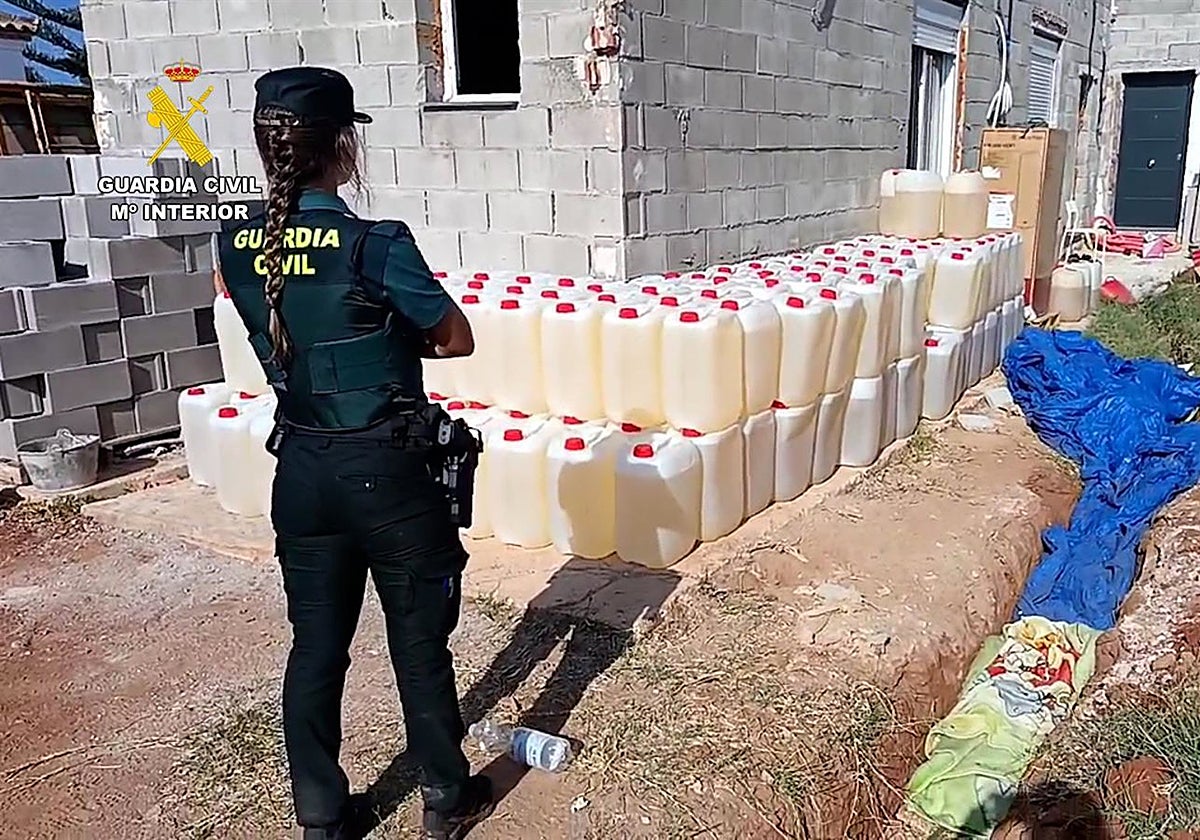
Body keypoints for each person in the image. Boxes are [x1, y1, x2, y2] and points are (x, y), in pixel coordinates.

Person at [214, 66, 493, 840]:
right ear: (344, 147)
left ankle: (322, 817)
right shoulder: (373, 242)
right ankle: (443, 796)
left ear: (268, 149)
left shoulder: (235, 246)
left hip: (301, 470)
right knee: (417, 638)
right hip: (390, 472)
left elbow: (281, 327)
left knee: (316, 647)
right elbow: (455, 337)